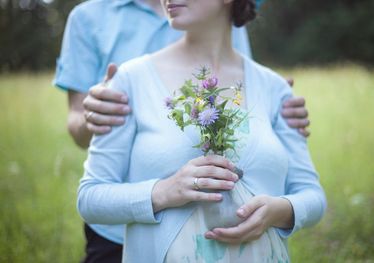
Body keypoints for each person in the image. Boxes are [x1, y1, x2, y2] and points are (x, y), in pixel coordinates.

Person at [55, 0, 309, 262]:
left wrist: (272, 103)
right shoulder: (91, 23)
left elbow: (235, 99)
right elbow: (79, 130)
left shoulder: (231, 32)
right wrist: (98, 113)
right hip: (120, 234)